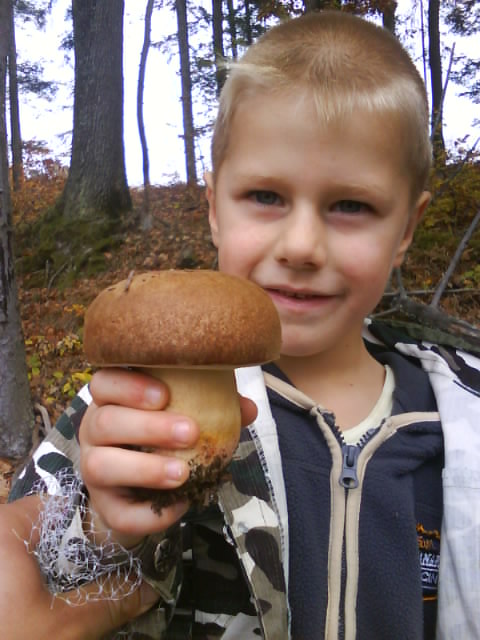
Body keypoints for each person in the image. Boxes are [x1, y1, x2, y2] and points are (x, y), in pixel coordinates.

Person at [8, 10, 480, 640]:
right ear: (213, 208)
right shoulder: (122, 407)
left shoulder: (464, 417)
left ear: (406, 229)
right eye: (265, 196)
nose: (302, 244)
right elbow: (32, 575)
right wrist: (103, 529)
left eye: (351, 205)